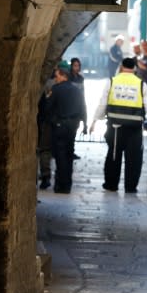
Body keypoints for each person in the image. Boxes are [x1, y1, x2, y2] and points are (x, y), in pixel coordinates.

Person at [90, 57, 147, 193]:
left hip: (114, 128)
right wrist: (143, 120)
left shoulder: (112, 82)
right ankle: (130, 187)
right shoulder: (141, 84)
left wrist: (96, 119)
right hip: (134, 129)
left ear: (121, 66)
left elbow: (103, 103)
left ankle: (111, 185)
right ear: (135, 68)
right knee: (133, 159)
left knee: (113, 156)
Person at [44, 60, 85, 194]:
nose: (55, 79)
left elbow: (47, 108)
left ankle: (60, 185)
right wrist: (84, 123)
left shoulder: (56, 90)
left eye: (57, 76)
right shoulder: (76, 90)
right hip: (73, 126)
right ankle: (67, 184)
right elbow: (83, 107)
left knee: (60, 155)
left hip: (60, 125)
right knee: (69, 154)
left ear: (62, 76)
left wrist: (52, 120)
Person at [37, 64, 58, 190]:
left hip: (45, 122)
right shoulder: (55, 87)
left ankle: (46, 177)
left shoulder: (44, 87)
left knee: (44, 150)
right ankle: (59, 180)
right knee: (54, 151)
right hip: (55, 123)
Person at [68, 57, 88, 160]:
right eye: (75, 65)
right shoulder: (68, 78)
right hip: (69, 107)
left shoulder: (80, 78)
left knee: (73, 133)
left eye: (78, 65)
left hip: (77, 107)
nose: (77, 67)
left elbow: (82, 94)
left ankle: (71, 151)